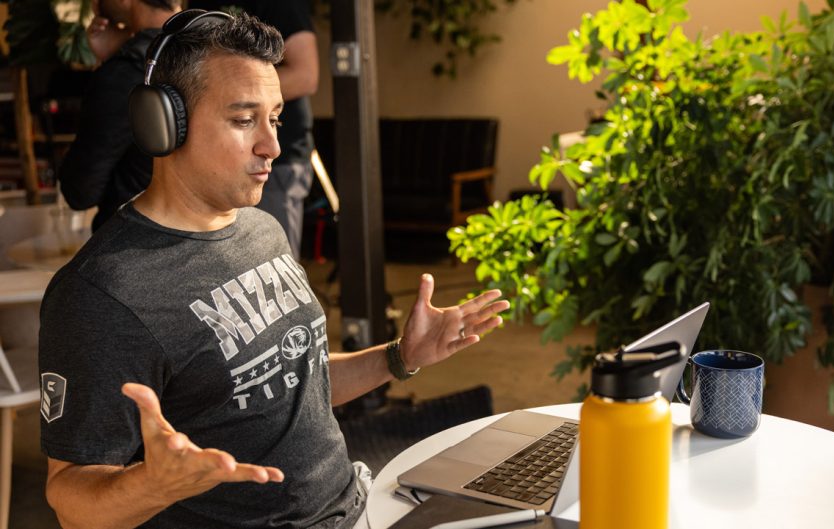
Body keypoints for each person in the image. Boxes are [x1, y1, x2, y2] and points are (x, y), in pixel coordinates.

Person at [38, 11, 508, 529]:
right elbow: (69, 496)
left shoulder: (261, 229)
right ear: (165, 125)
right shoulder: (102, 294)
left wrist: (400, 356)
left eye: (276, 118)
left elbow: (296, 380)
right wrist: (152, 484)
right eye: (244, 121)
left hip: (357, 505)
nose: (273, 147)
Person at [189, 0, 319, 260]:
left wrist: (232, 95)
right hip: (215, 161)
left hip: (277, 169)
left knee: (269, 272)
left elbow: (306, 75)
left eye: (274, 119)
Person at [58, 0, 182, 232]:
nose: (94, 3)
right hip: (212, 238)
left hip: (135, 241)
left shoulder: (126, 71)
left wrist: (113, 65)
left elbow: (80, 191)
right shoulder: (211, 49)